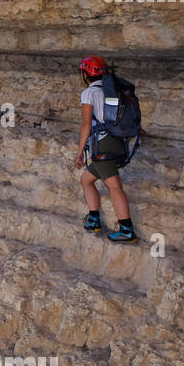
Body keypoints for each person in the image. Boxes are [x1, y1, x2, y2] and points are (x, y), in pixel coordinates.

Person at [75, 55, 137, 242]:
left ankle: (126, 229)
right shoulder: (115, 89)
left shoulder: (89, 93)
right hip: (118, 142)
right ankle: (94, 219)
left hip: (103, 144)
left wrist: (79, 153)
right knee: (86, 179)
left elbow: (86, 124)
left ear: (86, 74)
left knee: (114, 185)